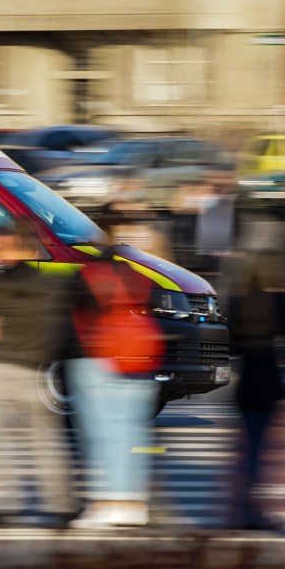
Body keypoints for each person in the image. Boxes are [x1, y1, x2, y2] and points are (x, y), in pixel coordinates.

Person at [0, 224, 76, 528]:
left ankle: (3, 504)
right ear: (35, 250)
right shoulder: (51, 287)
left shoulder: (1, 285)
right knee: (47, 442)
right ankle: (61, 504)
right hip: (39, 374)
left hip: (1, 371)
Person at [64, 205, 162, 529]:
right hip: (142, 359)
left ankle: (107, 504)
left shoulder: (87, 274)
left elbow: (76, 319)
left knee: (103, 437)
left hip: (101, 361)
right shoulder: (141, 274)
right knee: (132, 434)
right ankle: (134, 504)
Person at [226, 248, 285, 530]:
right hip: (270, 376)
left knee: (248, 446)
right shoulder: (281, 302)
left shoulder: (239, 300)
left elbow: (232, 345)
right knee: (260, 447)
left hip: (248, 379)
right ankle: (252, 508)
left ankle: (242, 505)